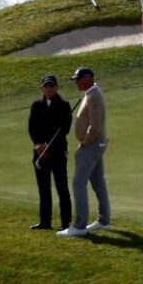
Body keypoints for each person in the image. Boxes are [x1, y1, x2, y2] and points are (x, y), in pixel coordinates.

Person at [58, 66, 111, 237]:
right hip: (96, 144)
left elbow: (94, 127)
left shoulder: (94, 95)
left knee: (78, 183)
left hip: (92, 145)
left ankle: (79, 226)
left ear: (87, 78)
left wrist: (85, 143)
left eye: (78, 80)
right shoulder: (91, 93)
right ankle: (104, 220)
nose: (76, 83)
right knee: (98, 182)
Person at [27, 74, 73, 231]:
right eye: (46, 86)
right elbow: (32, 128)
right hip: (40, 152)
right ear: (41, 88)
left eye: (52, 86)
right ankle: (45, 222)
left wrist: (48, 146)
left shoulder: (64, 105)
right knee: (43, 189)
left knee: (62, 188)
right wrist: (38, 145)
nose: (49, 88)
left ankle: (66, 223)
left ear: (56, 87)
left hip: (58, 152)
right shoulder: (36, 105)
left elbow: (64, 130)